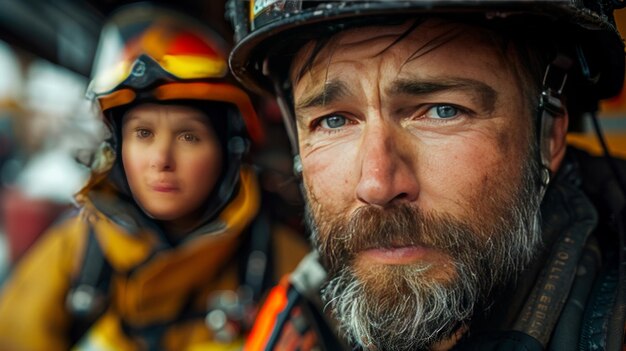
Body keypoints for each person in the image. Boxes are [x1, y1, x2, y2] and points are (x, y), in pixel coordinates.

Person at [226, 1, 626, 350]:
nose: (378, 185)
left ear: (548, 136)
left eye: (442, 111)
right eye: (333, 120)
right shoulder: (298, 320)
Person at [0, 3, 309, 351]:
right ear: (116, 148)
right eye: (143, 134)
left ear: (230, 150)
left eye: (189, 136)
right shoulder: (76, 251)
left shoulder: (287, 268)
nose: (161, 160)